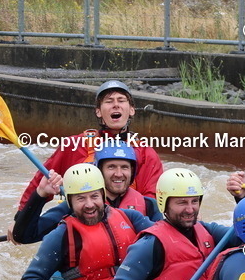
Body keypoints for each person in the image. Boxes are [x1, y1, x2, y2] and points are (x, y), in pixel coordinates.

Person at [18, 163, 156, 280]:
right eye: (81, 199)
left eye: (94, 196)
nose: (90, 204)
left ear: (103, 195)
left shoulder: (130, 218)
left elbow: (166, 240)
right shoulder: (61, 235)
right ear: (70, 202)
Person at [14, 80, 163, 214]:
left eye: (121, 100)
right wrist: (21, 216)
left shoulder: (145, 153)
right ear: (98, 111)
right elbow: (43, 180)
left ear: (131, 110)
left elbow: (151, 199)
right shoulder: (74, 145)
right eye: (109, 101)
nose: (115, 104)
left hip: (127, 222)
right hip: (84, 219)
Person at [12, 142, 161, 245]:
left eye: (124, 167)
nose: (118, 173)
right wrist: (40, 194)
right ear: (99, 170)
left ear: (132, 172)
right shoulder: (80, 205)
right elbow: (24, 236)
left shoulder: (149, 206)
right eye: (111, 167)